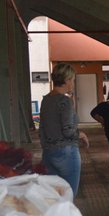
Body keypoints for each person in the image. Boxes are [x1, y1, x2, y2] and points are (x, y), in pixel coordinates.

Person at [39, 63, 89, 198]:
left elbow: (42, 128)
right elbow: (68, 130)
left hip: (48, 152)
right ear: (66, 80)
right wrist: (81, 134)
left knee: (54, 197)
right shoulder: (64, 101)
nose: (73, 83)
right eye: (72, 80)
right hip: (67, 153)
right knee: (68, 197)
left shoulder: (46, 100)